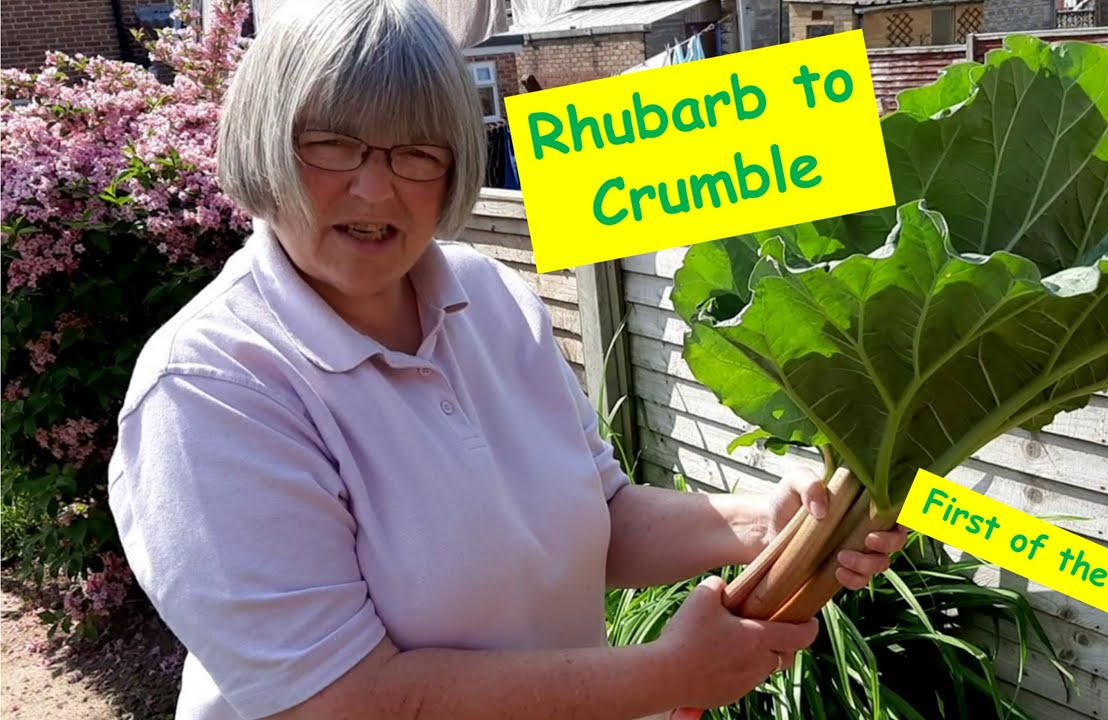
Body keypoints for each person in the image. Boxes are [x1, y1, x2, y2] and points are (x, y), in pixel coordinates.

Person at [106, 1, 909, 718]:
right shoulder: (211, 388)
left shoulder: (489, 297)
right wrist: (671, 676)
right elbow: (344, 702)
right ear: (266, 145)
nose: (376, 190)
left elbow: (604, 521)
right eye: (333, 146)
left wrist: (765, 519)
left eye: (417, 153)